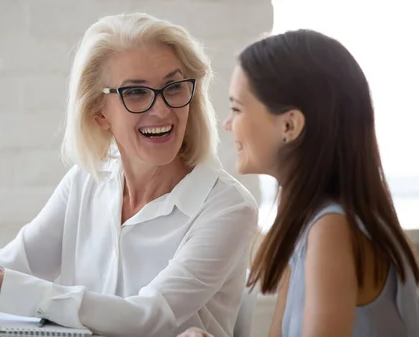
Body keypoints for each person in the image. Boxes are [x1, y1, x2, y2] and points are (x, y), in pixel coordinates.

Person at [0, 13, 258, 337]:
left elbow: (153, 317)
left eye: (173, 87)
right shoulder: (88, 182)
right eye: (135, 92)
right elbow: (16, 267)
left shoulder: (225, 206)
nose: (163, 110)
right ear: (99, 114)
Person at [180, 29, 419, 337]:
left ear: (289, 125)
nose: (227, 124)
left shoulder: (332, 229)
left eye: (237, 108)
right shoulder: (307, 224)